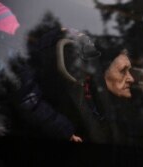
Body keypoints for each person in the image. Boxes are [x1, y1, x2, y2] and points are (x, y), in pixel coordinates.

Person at [13, 13, 135, 144]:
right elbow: (26, 98)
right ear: (102, 71)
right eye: (123, 71)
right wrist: (63, 129)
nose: (132, 79)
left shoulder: (119, 112)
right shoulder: (75, 92)